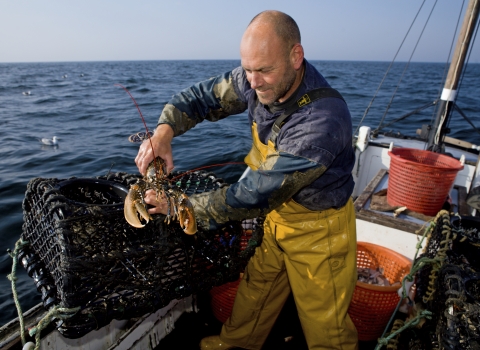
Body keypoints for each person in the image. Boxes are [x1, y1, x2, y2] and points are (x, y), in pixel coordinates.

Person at [135, 10, 358, 350]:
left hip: (319, 233)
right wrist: (163, 133)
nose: (253, 82)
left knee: (326, 326)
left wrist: (178, 206)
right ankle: (236, 344)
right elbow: (200, 98)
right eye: (248, 69)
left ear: (296, 56)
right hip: (276, 221)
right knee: (256, 290)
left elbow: (256, 194)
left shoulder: (322, 121)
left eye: (264, 70)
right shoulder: (255, 79)